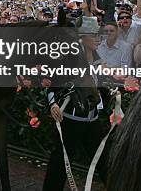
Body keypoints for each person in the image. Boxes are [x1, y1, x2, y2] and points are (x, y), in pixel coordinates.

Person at [43, 16, 108, 191]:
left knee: (103, 161)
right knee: (60, 164)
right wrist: (53, 104)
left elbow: (104, 85)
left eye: (98, 35)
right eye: (93, 35)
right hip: (71, 120)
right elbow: (50, 86)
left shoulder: (98, 57)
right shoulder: (68, 58)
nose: (97, 39)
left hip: (92, 120)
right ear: (82, 37)